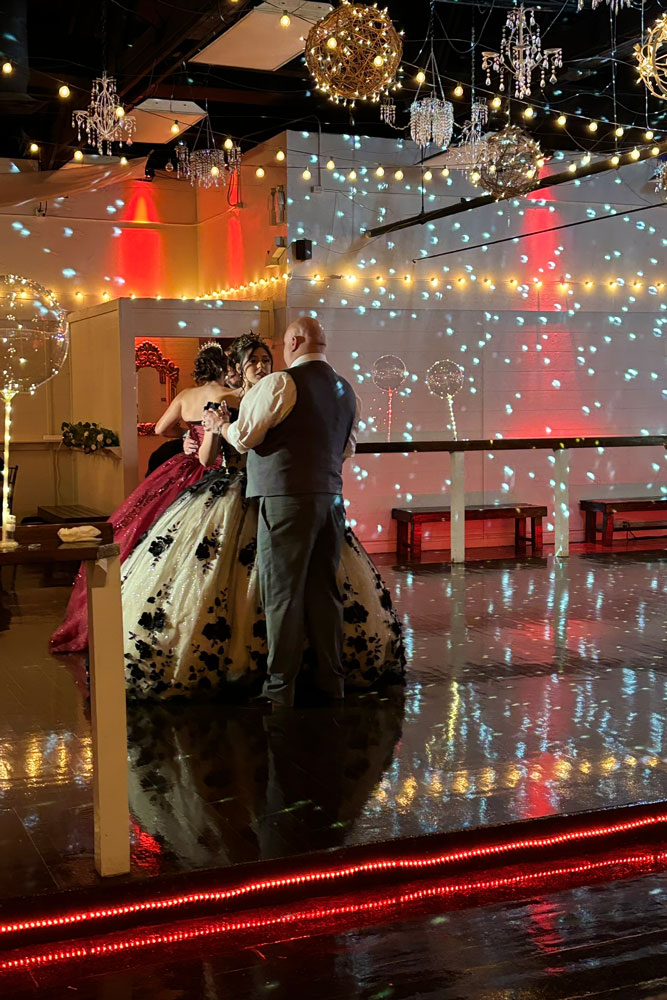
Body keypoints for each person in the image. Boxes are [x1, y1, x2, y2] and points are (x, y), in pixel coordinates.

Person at [122, 332, 404, 700]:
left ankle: (283, 685)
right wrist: (199, 438)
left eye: (264, 359)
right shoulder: (340, 388)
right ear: (236, 369)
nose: (260, 366)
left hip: (278, 497)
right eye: (251, 361)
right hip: (285, 496)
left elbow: (243, 439)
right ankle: (316, 677)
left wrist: (224, 428)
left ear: (289, 348)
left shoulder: (278, 388)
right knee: (299, 588)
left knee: (290, 590)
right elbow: (344, 448)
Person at [50, 342, 238, 653]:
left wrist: (187, 437)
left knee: (155, 529)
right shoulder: (229, 396)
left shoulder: (184, 396)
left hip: (183, 468)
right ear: (223, 368)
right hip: (215, 470)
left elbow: (161, 428)